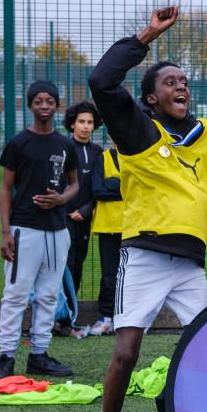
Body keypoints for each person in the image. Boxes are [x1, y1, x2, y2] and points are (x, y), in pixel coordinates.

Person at [88, 6, 207, 412]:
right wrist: (146, 36)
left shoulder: (205, 136)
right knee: (125, 353)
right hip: (143, 256)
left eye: (184, 81)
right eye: (169, 82)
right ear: (148, 98)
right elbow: (101, 82)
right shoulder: (139, 133)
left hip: (189, 265)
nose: (180, 86)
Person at [0, 80, 79, 380]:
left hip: (57, 231)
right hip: (23, 229)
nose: (44, 106)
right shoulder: (18, 143)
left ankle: (39, 355)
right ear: (30, 105)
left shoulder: (65, 144)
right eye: (38, 101)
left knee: (48, 295)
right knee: (15, 294)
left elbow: (74, 184)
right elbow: (5, 190)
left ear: (56, 105)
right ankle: (6, 356)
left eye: (49, 101)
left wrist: (61, 198)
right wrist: (5, 232)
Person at [62, 100, 104, 320]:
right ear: (72, 124)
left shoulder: (98, 152)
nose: (86, 126)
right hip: (63, 217)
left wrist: (86, 210)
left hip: (84, 217)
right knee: (64, 266)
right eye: (81, 122)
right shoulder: (63, 147)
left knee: (78, 265)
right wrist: (66, 210)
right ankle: (62, 315)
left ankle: (71, 315)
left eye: (90, 122)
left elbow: (98, 187)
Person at [86, 143, 124, 337]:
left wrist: (112, 183)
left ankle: (126, 318)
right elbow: (98, 190)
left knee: (131, 277)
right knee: (109, 275)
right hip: (108, 226)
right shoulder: (103, 158)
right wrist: (122, 185)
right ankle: (105, 317)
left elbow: (140, 188)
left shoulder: (135, 157)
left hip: (132, 227)